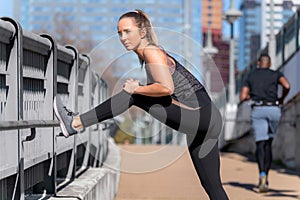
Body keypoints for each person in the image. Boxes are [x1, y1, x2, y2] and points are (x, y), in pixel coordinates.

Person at [54, 9, 228, 199]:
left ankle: (75, 123)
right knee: (212, 187)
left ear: (142, 32)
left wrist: (136, 90)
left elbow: (166, 88)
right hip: (208, 119)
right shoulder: (150, 53)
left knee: (133, 96)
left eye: (127, 31)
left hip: (199, 115)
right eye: (119, 33)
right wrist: (140, 89)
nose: (122, 37)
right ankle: (75, 123)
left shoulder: (152, 52)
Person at [240, 53, 290, 193]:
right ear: (269, 64)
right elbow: (287, 85)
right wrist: (281, 98)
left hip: (258, 109)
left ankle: (262, 174)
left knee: (260, 144)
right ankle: (266, 175)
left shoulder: (251, 75)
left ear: (258, 63)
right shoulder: (276, 74)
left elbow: (243, 96)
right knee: (268, 143)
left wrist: (251, 97)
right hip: (274, 109)